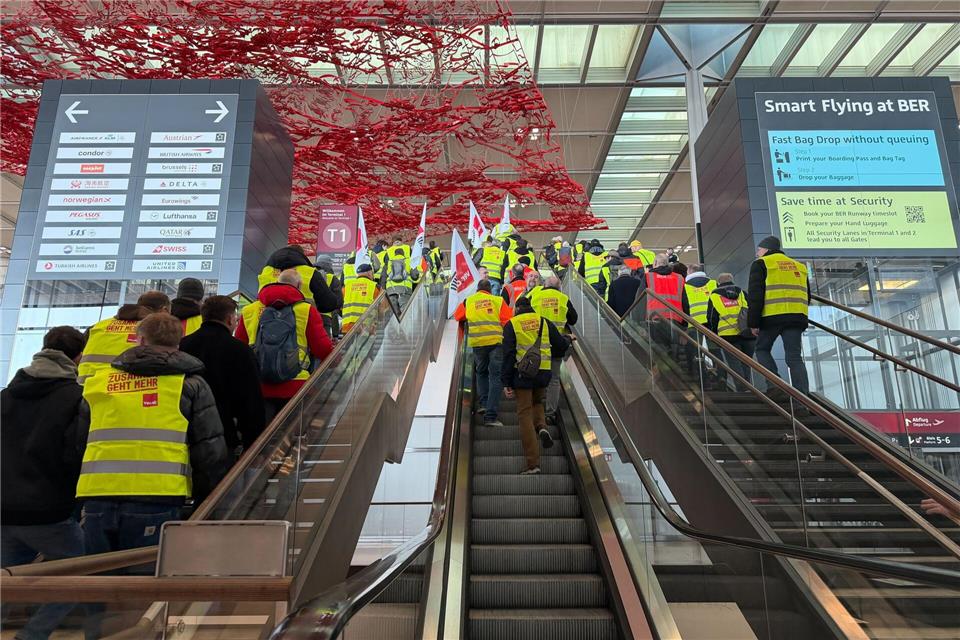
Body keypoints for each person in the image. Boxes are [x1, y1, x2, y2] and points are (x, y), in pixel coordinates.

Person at [78, 313, 230, 558]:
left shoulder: (99, 382)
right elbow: (209, 448)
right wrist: (208, 496)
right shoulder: (189, 384)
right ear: (179, 341)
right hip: (159, 494)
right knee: (147, 576)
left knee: (95, 579)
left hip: (97, 495)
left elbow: (78, 441)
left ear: (140, 340)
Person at [1, 327, 87, 639]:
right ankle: (32, 635)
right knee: (78, 577)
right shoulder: (75, 398)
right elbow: (75, 454)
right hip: (48, 512)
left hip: (4, 509)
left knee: (6, 583)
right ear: (78, 358)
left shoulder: (6, 396)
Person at [237, 269, 334, 421]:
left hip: (259, 386)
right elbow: (323, 349)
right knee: (292, 438)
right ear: (299, 285)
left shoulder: (250, 310)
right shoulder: (306, 310)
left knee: (260, 438)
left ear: (276, 282)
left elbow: (239, 348)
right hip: (296, 386)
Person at [180, 296, 266, 456]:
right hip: (226, 432)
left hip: (188, 431)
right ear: (229, 319)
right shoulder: (240, 350)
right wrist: (253, 442)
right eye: (235, 318)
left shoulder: (183, 345)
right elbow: (251, 399)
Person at [502, 296, 570, 475]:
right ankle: (542, 427)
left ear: (516, 309)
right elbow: (560, 345)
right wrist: (568, 339)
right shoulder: (543, 322)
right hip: (543, 373)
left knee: (524, 413)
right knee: (538, 402)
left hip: (523, 375)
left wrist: (506, 382)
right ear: (531, 308)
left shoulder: (512, 324)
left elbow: (508, 355)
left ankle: (533, 464)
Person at [748, 235, 810, 397]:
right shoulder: (799, 266)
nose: (757, 253)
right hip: (796, 317)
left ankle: (775, 385)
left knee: (761, 349)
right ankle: (803, 396)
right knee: (795, 357)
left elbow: (756, 296)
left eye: (759, 249)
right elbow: (807, 295)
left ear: (767, 249)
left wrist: (753, 323)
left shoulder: (762, 264)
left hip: (772, 317)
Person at [453, 279, 513, 427]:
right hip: (495, 343)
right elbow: (508, 320)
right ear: (490, 290)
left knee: (481, 373)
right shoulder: (497, 300)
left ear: (477, 290)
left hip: (478, 344)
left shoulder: (469, 301)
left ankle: (484, 403)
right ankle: (491, 416)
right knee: (495, 377)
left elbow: (457, 316)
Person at [78, 290, 169, 384]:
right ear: (165, 310)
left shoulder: (98, 326)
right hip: (124, 389)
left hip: (86, 387)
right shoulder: (155, 329)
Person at [529, 276, 578, 423]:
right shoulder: (563, 298)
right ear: (559, 287)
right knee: (554, 379)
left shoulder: (535, 296)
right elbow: (573, 319)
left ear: (544, 284)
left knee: (534, 376)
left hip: (537, 345)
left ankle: (533, 409)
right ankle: (550, 413)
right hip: (556, 345)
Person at [706, 273, 755, 390]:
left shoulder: (715, 296)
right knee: (746, 363)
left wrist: (713, 333)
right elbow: (753, 310)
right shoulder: (742, 293)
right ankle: (748, 388)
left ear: (718, 283)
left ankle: (742, 389)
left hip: (728, 336)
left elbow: (712, 317)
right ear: (732, 281)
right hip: (747, 333)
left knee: (734, 363)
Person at [257, 244, 339, 312]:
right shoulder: (310, 272)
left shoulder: (266, 271)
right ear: (301, 256)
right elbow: (329, 304)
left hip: (265, 321)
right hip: (302, 322)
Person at [645, 253, 688, 357]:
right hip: (676, 319)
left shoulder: (648, 277)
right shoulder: (679, 278)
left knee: (659, 351)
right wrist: (685, 325)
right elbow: (685, 302)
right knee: (674, 349)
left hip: (654, 319)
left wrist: (637, 322)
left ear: (655, 263)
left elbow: (639, 299)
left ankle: (664, 370)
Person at [683, 264, 717, 374]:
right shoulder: (713, 283)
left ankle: (701, 378)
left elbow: (685, 306)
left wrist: (684, 325)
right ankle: (721, 377)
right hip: (712, 322)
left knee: (695, 351)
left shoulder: (685, 286)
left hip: (694, 323)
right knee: (715, 350)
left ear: (690, 272)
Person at [341, 263, 380, 333]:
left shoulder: (346, 286)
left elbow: (339, 305)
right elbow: (382, 308)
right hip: (365, 328)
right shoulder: (375, 286)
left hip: (347, 327)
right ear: (369, 273)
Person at [383, 240, 420, 311]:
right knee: (405, 313)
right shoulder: (409, 261)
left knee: (393, 314)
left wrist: (384, 288)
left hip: (391, 290)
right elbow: (415, 276)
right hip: (405, 289)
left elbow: (383, 276)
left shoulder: (389, 262)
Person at [314, 256, 344, 339]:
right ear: (329, 265)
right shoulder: (332, 278)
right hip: (325, 317)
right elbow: (338, 301)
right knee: (323, 341)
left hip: (309, 314)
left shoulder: (310, 274)